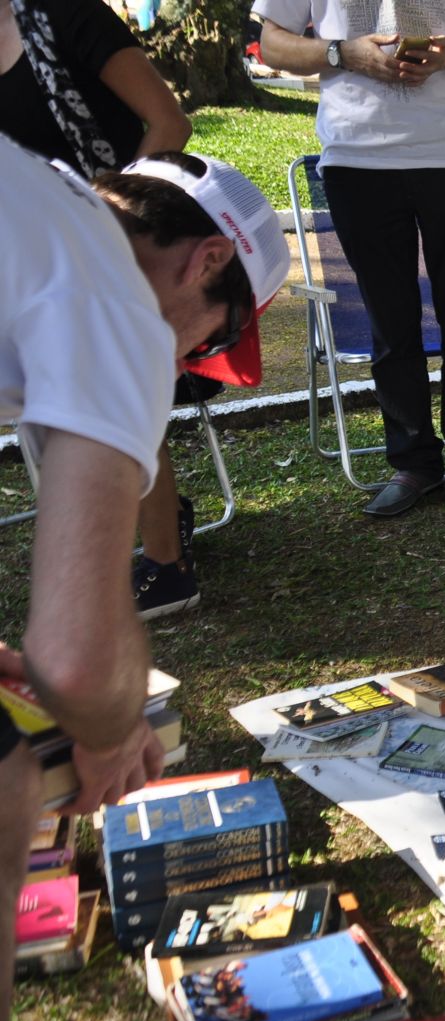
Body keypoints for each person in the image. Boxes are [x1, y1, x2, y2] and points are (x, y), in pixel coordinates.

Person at [0, 136, 287, 1021]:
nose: (186, 362)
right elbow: (79, 660)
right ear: (205, 261)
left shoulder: (40, 201)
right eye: (209, 337)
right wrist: (111, 724)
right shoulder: (119, 304)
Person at [0, 0, 225, 619]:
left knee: (101, 384)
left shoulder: (67, 15)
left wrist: (105, 229)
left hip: (121, 239)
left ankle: (166, 564)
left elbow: (167, 123)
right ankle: (139, 520)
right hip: (31, 256)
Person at [254, 0, 445, 517]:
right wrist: (342, 53)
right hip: (358, 160)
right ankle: (413, 463)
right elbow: (272, 43)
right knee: (390, 320)